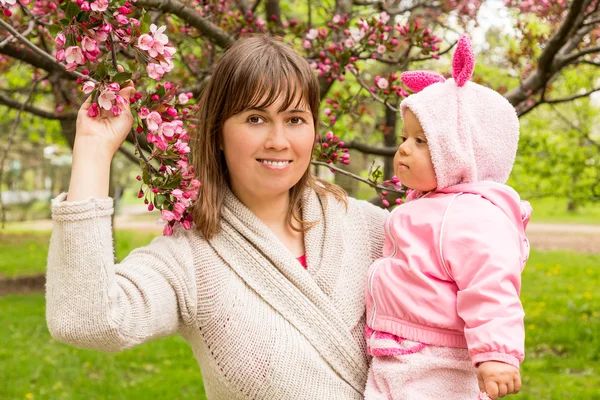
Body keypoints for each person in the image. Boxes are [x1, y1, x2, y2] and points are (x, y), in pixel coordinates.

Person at [45, 35, 389, 399]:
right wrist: (94, 150)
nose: (278, 140)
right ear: (219, 132)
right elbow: (86, 319)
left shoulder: (373, 229)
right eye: (255, 118)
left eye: (295, 119)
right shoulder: (189, 259)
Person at [363, 35, 532, 400]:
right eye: (406, 137)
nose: (404, 147)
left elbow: (492, 281)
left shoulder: (471, 216)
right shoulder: (432, 205)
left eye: (421, 141)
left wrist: (497, 354)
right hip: (403, 349)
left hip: (437, 359)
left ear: (459, 153)